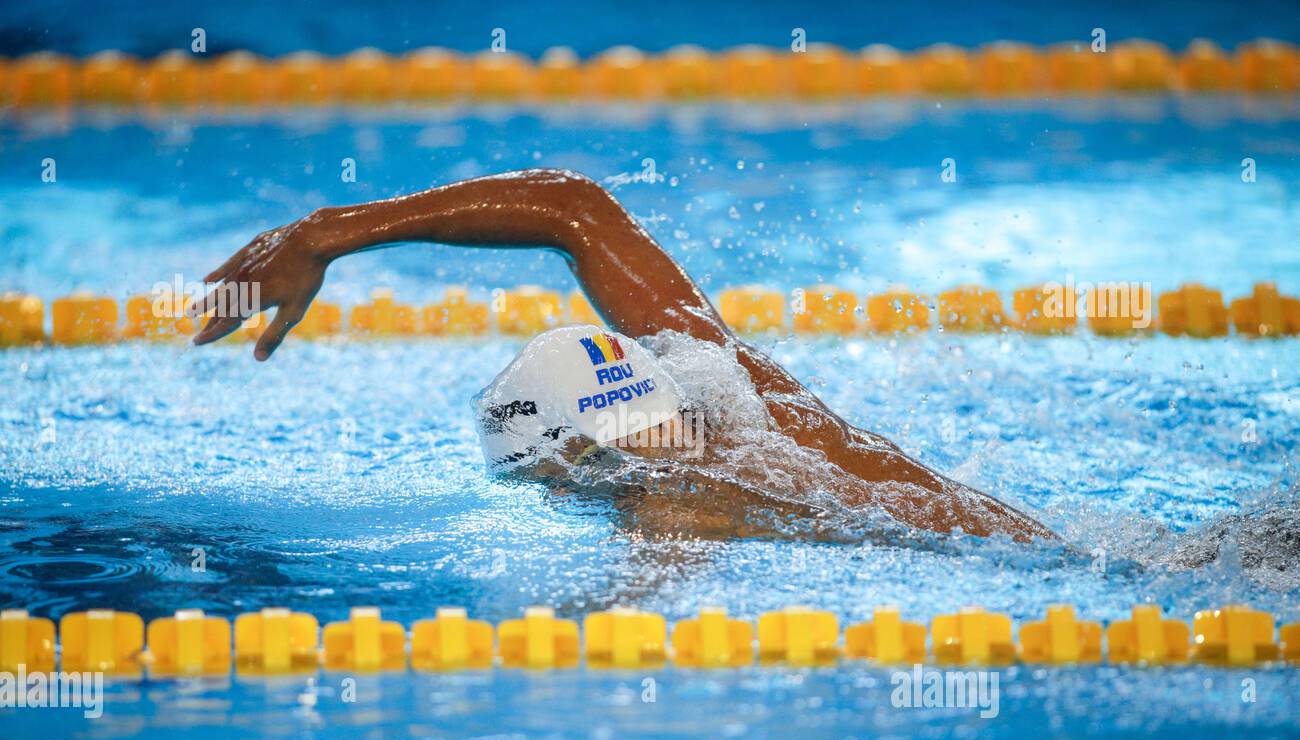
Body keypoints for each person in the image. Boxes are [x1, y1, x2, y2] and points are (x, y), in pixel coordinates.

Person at [189, 169, 1052, 541]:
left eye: (548, 481)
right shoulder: (723, 376)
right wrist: (327, 234)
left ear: (577, 451)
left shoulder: (686, 493)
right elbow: (577, 208)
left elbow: (636, 629)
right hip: (1057, 543)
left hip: (1050, 573)